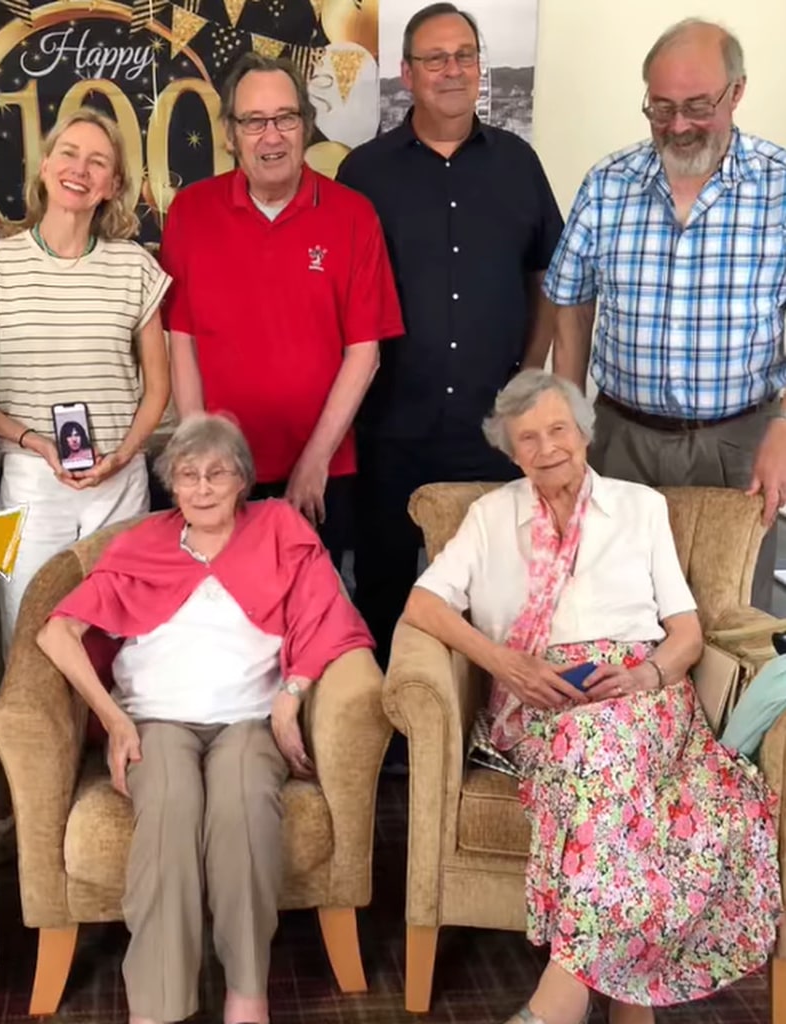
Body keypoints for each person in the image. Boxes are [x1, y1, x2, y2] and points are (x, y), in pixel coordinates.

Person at [402, 370, 780, 1024]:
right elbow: (422, 605)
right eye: (528, 438)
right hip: (543, 696)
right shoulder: (490, 518)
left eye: (558, 429)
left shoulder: (640, 506)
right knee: (585, 746)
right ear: (511, 453)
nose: (547, 448)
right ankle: (630, 1005)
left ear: (584, 433)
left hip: (641, 691)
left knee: (597, 752)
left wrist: (646, 677)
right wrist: (505, 665)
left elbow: (687, 633)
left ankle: (558, 1003)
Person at [37, 413, 373, 1024]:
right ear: (171, 484)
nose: (203, 486)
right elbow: (58, 633)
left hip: (249, 722)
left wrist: (291, 694)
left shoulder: (278, 529)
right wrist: (112, 719)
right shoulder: (141, 545)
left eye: (218, 472)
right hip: (156, 721)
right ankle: (160, 1007)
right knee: (169, 807)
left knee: (243, 803)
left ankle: (247, 994)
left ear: (243, 479)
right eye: (188, 474)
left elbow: (331, 618)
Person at [335, 2, 564, 665]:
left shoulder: (518, 163)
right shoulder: (364, 174)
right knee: (381, 587)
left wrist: (530, 374)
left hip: (491, 429)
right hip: (389, 428)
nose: (453, 70)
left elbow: (548, 276)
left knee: (493, 594)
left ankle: (471, 734)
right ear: (406, 73)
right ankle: (388, 736)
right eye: (435, 58)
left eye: (465, 55)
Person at [545, 18, 786, 612]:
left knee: (730, 616)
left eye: (698, 106)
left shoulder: (780, 187)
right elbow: (572, 303)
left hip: (738, 441)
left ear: (738, 92)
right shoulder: (608, 182)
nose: (678, 125)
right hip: (621, 439)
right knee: (613, 609)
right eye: (661, 107)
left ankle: (732, 712)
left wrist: (783, 430)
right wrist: (568, 422)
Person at [159, 53, 403, 569]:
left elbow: (365, 352)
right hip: (221, 470)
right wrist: (202, 455)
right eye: (254, 121)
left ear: (305, 126)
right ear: (230, 133)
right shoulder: (190, 213)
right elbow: (181, 339)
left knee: (310, 624)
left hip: (321, 470)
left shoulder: (353, 215)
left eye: (286, 118)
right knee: (224, 621)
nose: (272, 136)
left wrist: (315, 461)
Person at [0, 107, 171, 650]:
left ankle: (122, 734)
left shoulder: (135, 267)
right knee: (30, 629)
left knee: (123, 636)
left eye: (98, 162)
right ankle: (31, 737)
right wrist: (33, 442)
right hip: (32, 477)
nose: (80, 169)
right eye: (68, 153)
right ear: (44, 167)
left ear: (113, 185)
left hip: (119, 478)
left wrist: (124, 455)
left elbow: (159, 391)